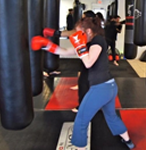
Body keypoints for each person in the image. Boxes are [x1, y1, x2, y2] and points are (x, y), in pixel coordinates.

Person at [31, 17, 135, 150]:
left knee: (81, 121)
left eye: (79, 33)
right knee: (111, 116)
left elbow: (88, 62)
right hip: (109, 87)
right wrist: (47, 45)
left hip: (101, 88)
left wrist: (79, 46)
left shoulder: (98, 41)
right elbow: (66, 52)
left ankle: (79, 147)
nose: (76, 36)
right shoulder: (89, 43)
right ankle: (128, 142)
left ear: (89, 31)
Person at [43, 10, 96, 113]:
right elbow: (67, 51)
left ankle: (85, 106)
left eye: (84, 17)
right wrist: (47, 46)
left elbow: (73, 33)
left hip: (93, 64)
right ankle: (85, 104)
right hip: (87, 59)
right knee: (83, 79)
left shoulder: (96, 39)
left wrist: (55, 33)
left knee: (88, 82)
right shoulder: (87, 34)